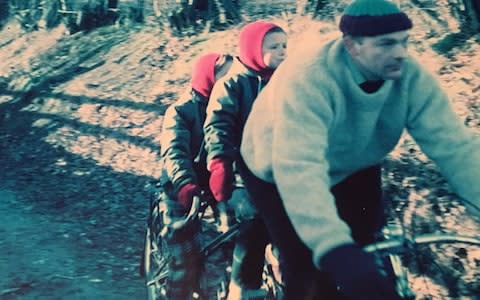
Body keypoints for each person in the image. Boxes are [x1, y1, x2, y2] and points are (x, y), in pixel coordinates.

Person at [239, 0, 480, 299]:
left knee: (367, 247)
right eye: (387, 43)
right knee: (308, 270)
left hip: (353, 161)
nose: (400, 53)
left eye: (405, 41)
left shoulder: (409, 76)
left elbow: (456, 146)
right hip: (275, 166)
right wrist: (332, 246)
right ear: (352, 46)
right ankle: (255, 257)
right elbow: (299, 167)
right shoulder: (311, 78)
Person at [203, 20, 288, 299]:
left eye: (285, 46)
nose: (282, 52)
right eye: (273, 47)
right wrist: (220, 163)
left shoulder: (287, 81)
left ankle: (287, 275)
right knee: (255, 217)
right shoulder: (233, 83)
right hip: (242, 175)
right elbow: (218, 124)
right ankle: (242, 286)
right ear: (253, 49)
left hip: (280, 171)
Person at [159, 52, 233, 299]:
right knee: (184, 261)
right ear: (208, 77)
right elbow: (174, 151)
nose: (231, 80)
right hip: (182, 186)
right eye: (225, 75)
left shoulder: (231, 107)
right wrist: (184, 184)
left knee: (238, 234)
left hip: (219, 183)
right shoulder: (180, 111)